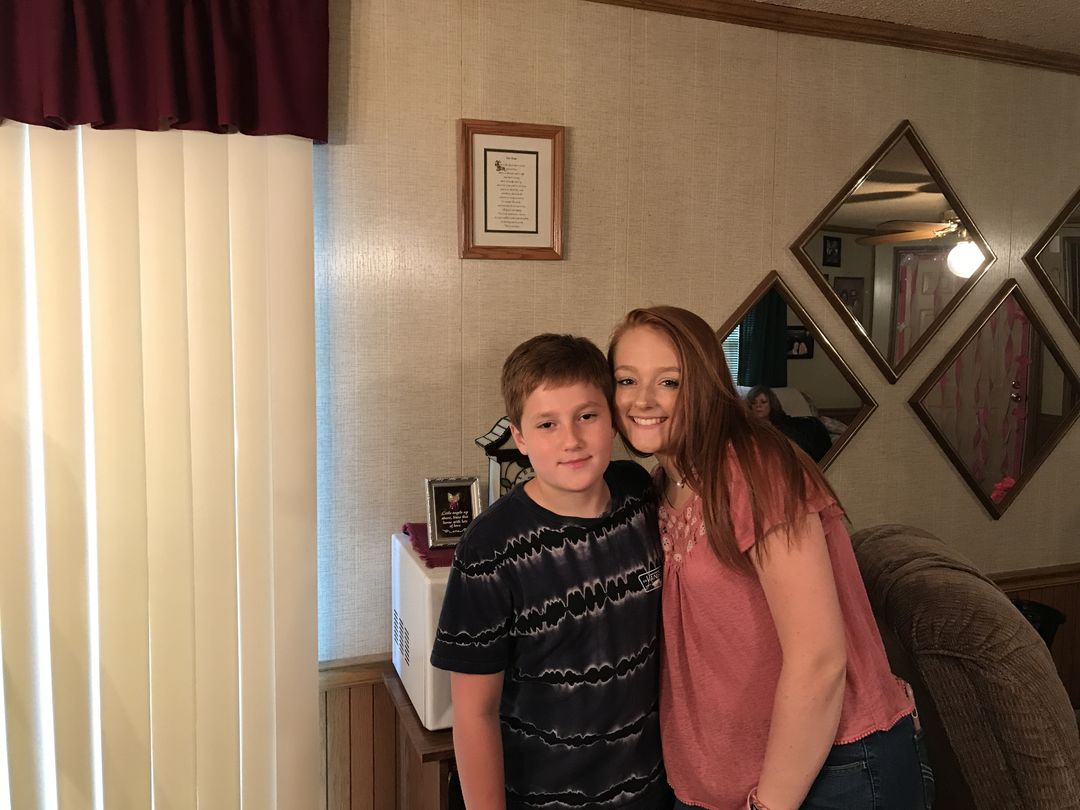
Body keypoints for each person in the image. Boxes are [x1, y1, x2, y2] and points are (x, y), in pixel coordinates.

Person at [608, 307, 932, 810]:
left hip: (835, 768)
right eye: (627, 380)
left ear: (706, 386)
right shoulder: (659, 486)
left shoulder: (756, 469)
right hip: (725, 775)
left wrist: (769, 805)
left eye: (669, 382)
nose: (643, 400)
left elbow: (819, 660)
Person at [431, 333, 671, 810]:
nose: (571, 440)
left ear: (613, 419)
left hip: (648, 791)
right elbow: (474, 714)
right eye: (547, 424)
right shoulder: (488, 550)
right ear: (519, 438)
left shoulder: (639, 492)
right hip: (538, 797)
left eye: (587, 416)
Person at [746, 385, 832, 463]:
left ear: (771, 404)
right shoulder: (748, 427)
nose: (758, 406)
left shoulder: (783, 424)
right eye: (754, 403)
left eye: (763, 402)